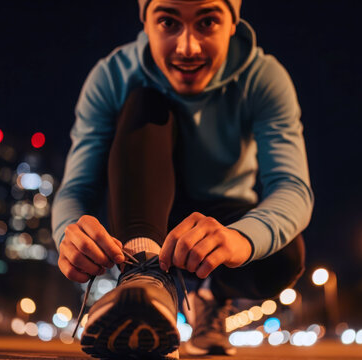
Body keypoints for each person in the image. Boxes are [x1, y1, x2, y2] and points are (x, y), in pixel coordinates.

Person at [52, 0, 313, 358]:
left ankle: (212, 298)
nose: (187, 47)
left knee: (284, 253)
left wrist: (239, 238)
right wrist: (68, 231)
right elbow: (77, 188)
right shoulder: (112, 75)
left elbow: (292, 187)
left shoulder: (263, 77)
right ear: (145, 21)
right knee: (144, 101)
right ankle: (143, 282)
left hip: (222, 219)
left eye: (207, 21)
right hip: (142, 211)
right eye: (168, 22)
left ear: (233, 23)